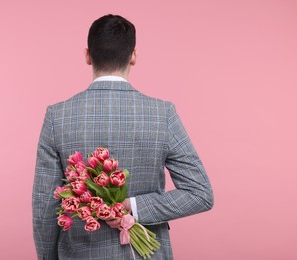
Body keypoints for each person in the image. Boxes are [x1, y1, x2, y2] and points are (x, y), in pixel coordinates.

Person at [33, 14, 214, 260]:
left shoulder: (58, 117)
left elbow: (45, 206)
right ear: (133, 56)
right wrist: (136, 207)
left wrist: (47, 257)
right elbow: (200, 193)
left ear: (88, 55)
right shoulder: (162, 115)